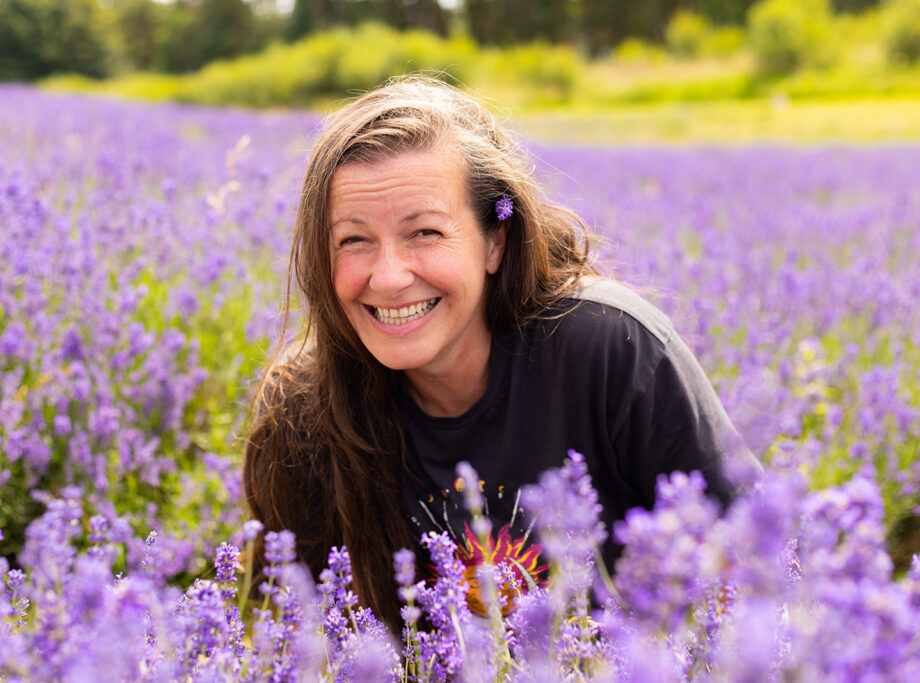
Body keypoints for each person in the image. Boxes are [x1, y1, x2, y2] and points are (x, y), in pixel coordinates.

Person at [243, 76, 759, 627]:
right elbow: (294, 637)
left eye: (425, 233)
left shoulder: (613, 350)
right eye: (353, 240)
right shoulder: (301, 417)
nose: (389, 277)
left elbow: (758, 570)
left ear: (495, 241)